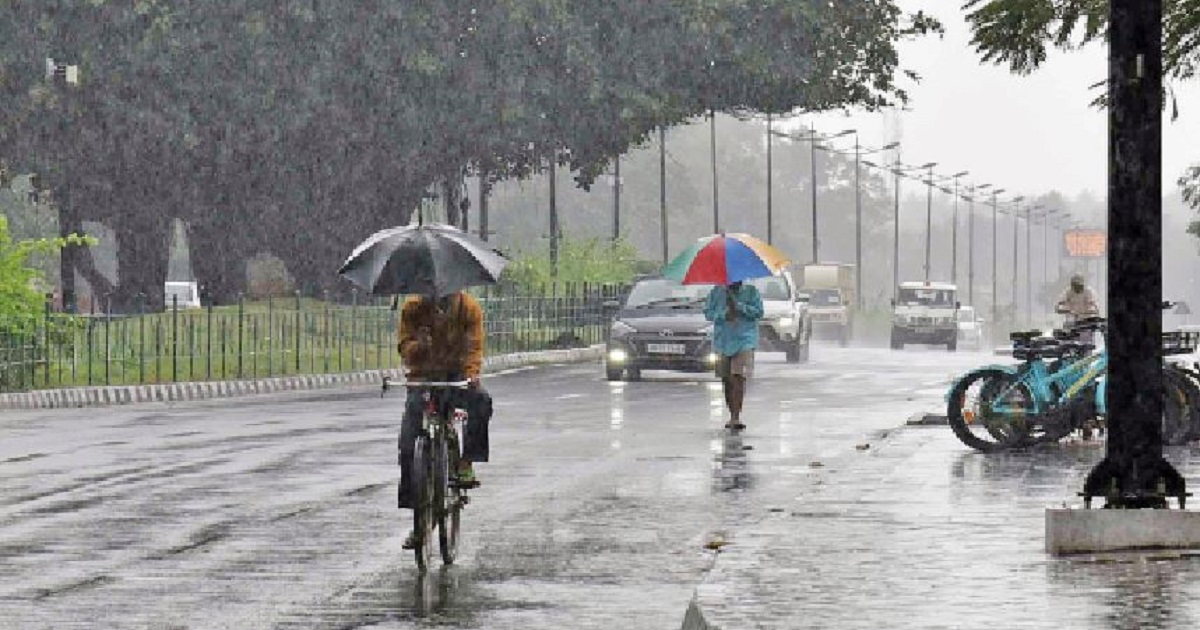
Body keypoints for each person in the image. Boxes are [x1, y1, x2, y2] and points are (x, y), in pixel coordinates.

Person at [396, 290, 493, 549]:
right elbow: (404, 349)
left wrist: (471, 375)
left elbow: (474, 347)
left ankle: (464, 462)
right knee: (408, 444)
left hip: (456, 376)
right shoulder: (413, 308)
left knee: (481, 402)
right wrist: (420, 345)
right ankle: (419, 519)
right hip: (423, 378)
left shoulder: (468, 308)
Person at [704, 279, 764, 430]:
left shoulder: (751, 292)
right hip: (722, 341)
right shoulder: (716, 292)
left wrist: (740, 307)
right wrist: (724, 314)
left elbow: (759, 312)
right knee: (726, 379)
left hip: (745, 340)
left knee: (738, 377)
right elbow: (708, 313)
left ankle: (735, 417)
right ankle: (731, 411)